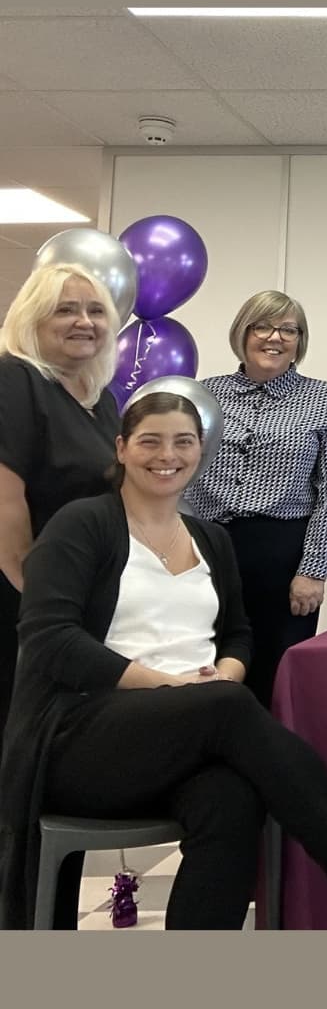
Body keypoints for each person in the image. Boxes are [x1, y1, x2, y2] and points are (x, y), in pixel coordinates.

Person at [0, 392, 327, 931]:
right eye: (150, 441)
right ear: (123, 448)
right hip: (79, 741)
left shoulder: (211, 540)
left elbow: (237, 636)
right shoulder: (82, 524)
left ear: (202, 451)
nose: (166, 454)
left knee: (232, 797)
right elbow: (49, 640)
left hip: (184, 732)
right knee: (227, 706)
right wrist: (174, 688)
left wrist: (224, 673)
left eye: (183, 442)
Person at [186, 291, 327, 707]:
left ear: (300, 340)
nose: (274, 337)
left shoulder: (322, 398)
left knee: (274, 674)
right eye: (262, 326)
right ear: (243, 333)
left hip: (284, 557)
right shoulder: (204, 394)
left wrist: (314, 570)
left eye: (288, 329)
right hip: (208, 550)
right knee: (205, 663)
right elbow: (179, 473)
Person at [0, 262, 120, 756]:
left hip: (76, 593)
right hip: (25, 597)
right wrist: (37, 600)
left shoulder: (101, 399)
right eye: (65, 309)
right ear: (33, 317)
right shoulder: (14, 379)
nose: (84, 321)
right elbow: (5, 502)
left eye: (95, 311)